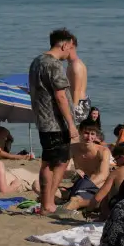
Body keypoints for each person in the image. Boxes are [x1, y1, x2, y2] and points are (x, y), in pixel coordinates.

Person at [28, 29, 79, 214]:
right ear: (64, 45)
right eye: (70, 48)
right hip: (55, 122)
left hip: (42, 119)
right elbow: (61, 96)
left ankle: (46, 202)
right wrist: (71, 123)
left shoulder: (36, 62)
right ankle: (47, 203)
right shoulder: (54, 65)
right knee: (55, 162)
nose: (70, 52)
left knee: (54, 160)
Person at [60, 122, 113, 212]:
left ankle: (76, 201)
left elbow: (103, 175)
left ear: (96, 135)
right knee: (37, 185)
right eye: (86, 133)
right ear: (79, 132)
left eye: (92, 134)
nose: (89, 137)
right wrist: (73, 172)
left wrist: (83, 185)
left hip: (96, 187)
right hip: (78, 186)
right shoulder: (72, 148)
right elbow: (63, 172)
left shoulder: (103, 151)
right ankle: (73, 199)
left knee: (93, 181)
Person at [86, 142, 124, 216]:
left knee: (109, 190)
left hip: (123, 212)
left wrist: (88, 210)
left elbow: (98, 197)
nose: (116, 163)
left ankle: (104, 216)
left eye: (116, 159)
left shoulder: (117, 172)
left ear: (123, 157)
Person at [67, 46, 90, 125]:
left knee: (74, 133)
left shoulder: (75, 65)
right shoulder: (73, 63)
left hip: (78, 103)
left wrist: (72, 110)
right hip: (80, 102)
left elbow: (76, 90)